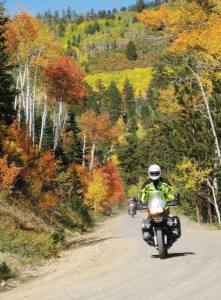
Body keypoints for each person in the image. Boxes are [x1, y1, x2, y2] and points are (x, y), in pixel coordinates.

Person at [140, 164, 175, 243]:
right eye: (153, 173)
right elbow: (143, 195)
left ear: (159, 173)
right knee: (145, 222)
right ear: (149, 173)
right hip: (151, 208)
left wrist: (172, 200)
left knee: (172, 221)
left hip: (163, 207)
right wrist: (142, 202)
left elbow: (170, 193)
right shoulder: (146, 184)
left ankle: (172, 232)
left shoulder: (165, 182)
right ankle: (148, 235)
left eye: (156, 173)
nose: (155, 175)